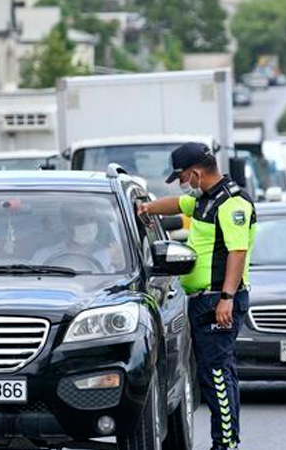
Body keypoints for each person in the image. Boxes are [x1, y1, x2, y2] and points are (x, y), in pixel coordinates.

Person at [138, 142, 256, 450]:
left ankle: (225, 443)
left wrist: (227, 298)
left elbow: (237, 252)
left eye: (182, 176)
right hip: (205, 300)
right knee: (213, 372)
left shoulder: (232, 202)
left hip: (219, 299)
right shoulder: (206, 199)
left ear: (196, 172)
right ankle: (225, 441)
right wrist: (147, 207)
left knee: (217, 373)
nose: (182, 182)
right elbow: (178, 204)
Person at [32, 203, 123, 273]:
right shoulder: (44, 255)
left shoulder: (111, 256)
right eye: (81, 221)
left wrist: (119, 265)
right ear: (67, 225)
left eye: (92, 219)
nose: (88, 225)